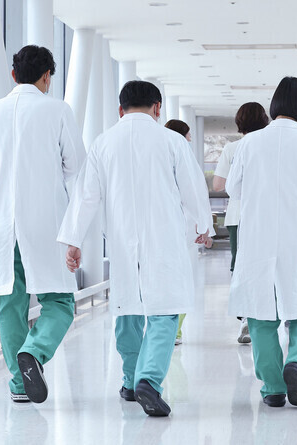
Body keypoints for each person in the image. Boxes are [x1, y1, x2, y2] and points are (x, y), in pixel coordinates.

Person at [57, 81, 214, 417]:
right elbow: (193, 188)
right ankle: (148, 380)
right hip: (165, 239)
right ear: (158, 108)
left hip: (122, 240)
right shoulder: (171, 141)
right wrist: (203, 225)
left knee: (127, 311)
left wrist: (73, 239)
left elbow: (86, 197)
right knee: (165, 312)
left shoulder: (103, 143)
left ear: (120, 109)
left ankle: (130, 382)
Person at [0, 45, 86, 404]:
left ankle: (20, 383)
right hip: (44, 222)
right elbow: (75, 164)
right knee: (60, 300)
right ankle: (35, 351)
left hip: (2, 224)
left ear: (13, 74)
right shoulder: (57, 110)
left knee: (10, 303)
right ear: (47, 76)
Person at [226, 76, 297, 408]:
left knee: (261, 315)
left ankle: (273, 388)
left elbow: (234, 189)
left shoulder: (249, 144)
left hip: (258, 239)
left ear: (274, 104)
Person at [213, 102, 269, 344]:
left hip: (238, 215)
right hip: (266, 214)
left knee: (240, 264)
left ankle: (245, 315)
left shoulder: (232, 148)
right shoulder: (268, 144)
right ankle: (262, 314)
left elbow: (218, 186)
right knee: (264, 262)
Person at [164, 119, 213, 346]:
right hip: (185, 228)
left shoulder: (157, 152)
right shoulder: (183, 153)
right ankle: (175, 330)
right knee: (182, 280)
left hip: (161, 227)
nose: (191, 139)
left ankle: (168, 329)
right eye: (189, 134)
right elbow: (196, 194)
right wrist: (205, 228)